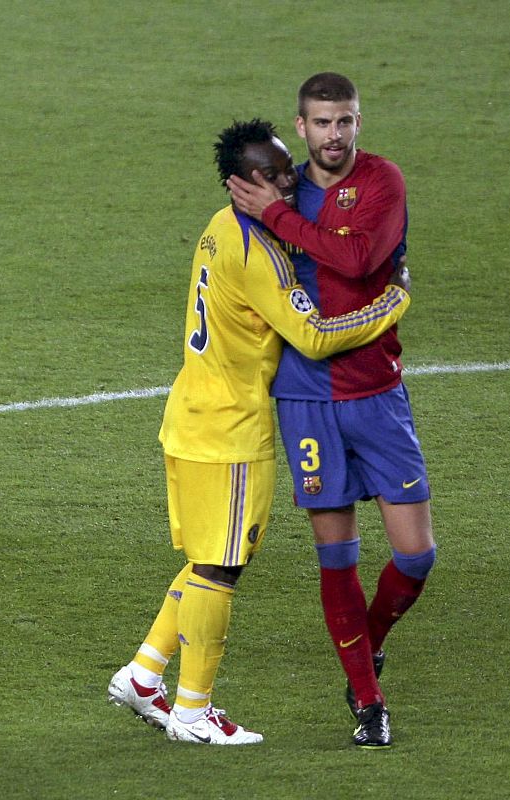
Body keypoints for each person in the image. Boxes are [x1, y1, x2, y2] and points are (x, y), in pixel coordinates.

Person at [108, 119, 412, 746]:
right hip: (230, 430)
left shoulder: (223, 227)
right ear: (241, 183)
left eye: (286, 167)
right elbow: (313, 336)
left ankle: (143, 675)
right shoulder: (258, 252)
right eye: (272, 175)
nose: (288, 179)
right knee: (221, 568)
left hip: (193, 412)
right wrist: (392, 303)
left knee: (206, 560)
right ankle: (193, 711)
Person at [227, 73, 436, 749]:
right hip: (305, 399)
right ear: (302, 126)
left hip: (375, 388)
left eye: (344, 121)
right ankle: (367, 700)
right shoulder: (280, 189)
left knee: (414, 556)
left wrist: (277, 217)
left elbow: (352, 260)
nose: (334, 135)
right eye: (321, 123)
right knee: (335, 557)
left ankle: (364, 643)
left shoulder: (380, 182)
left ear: (357, 123)